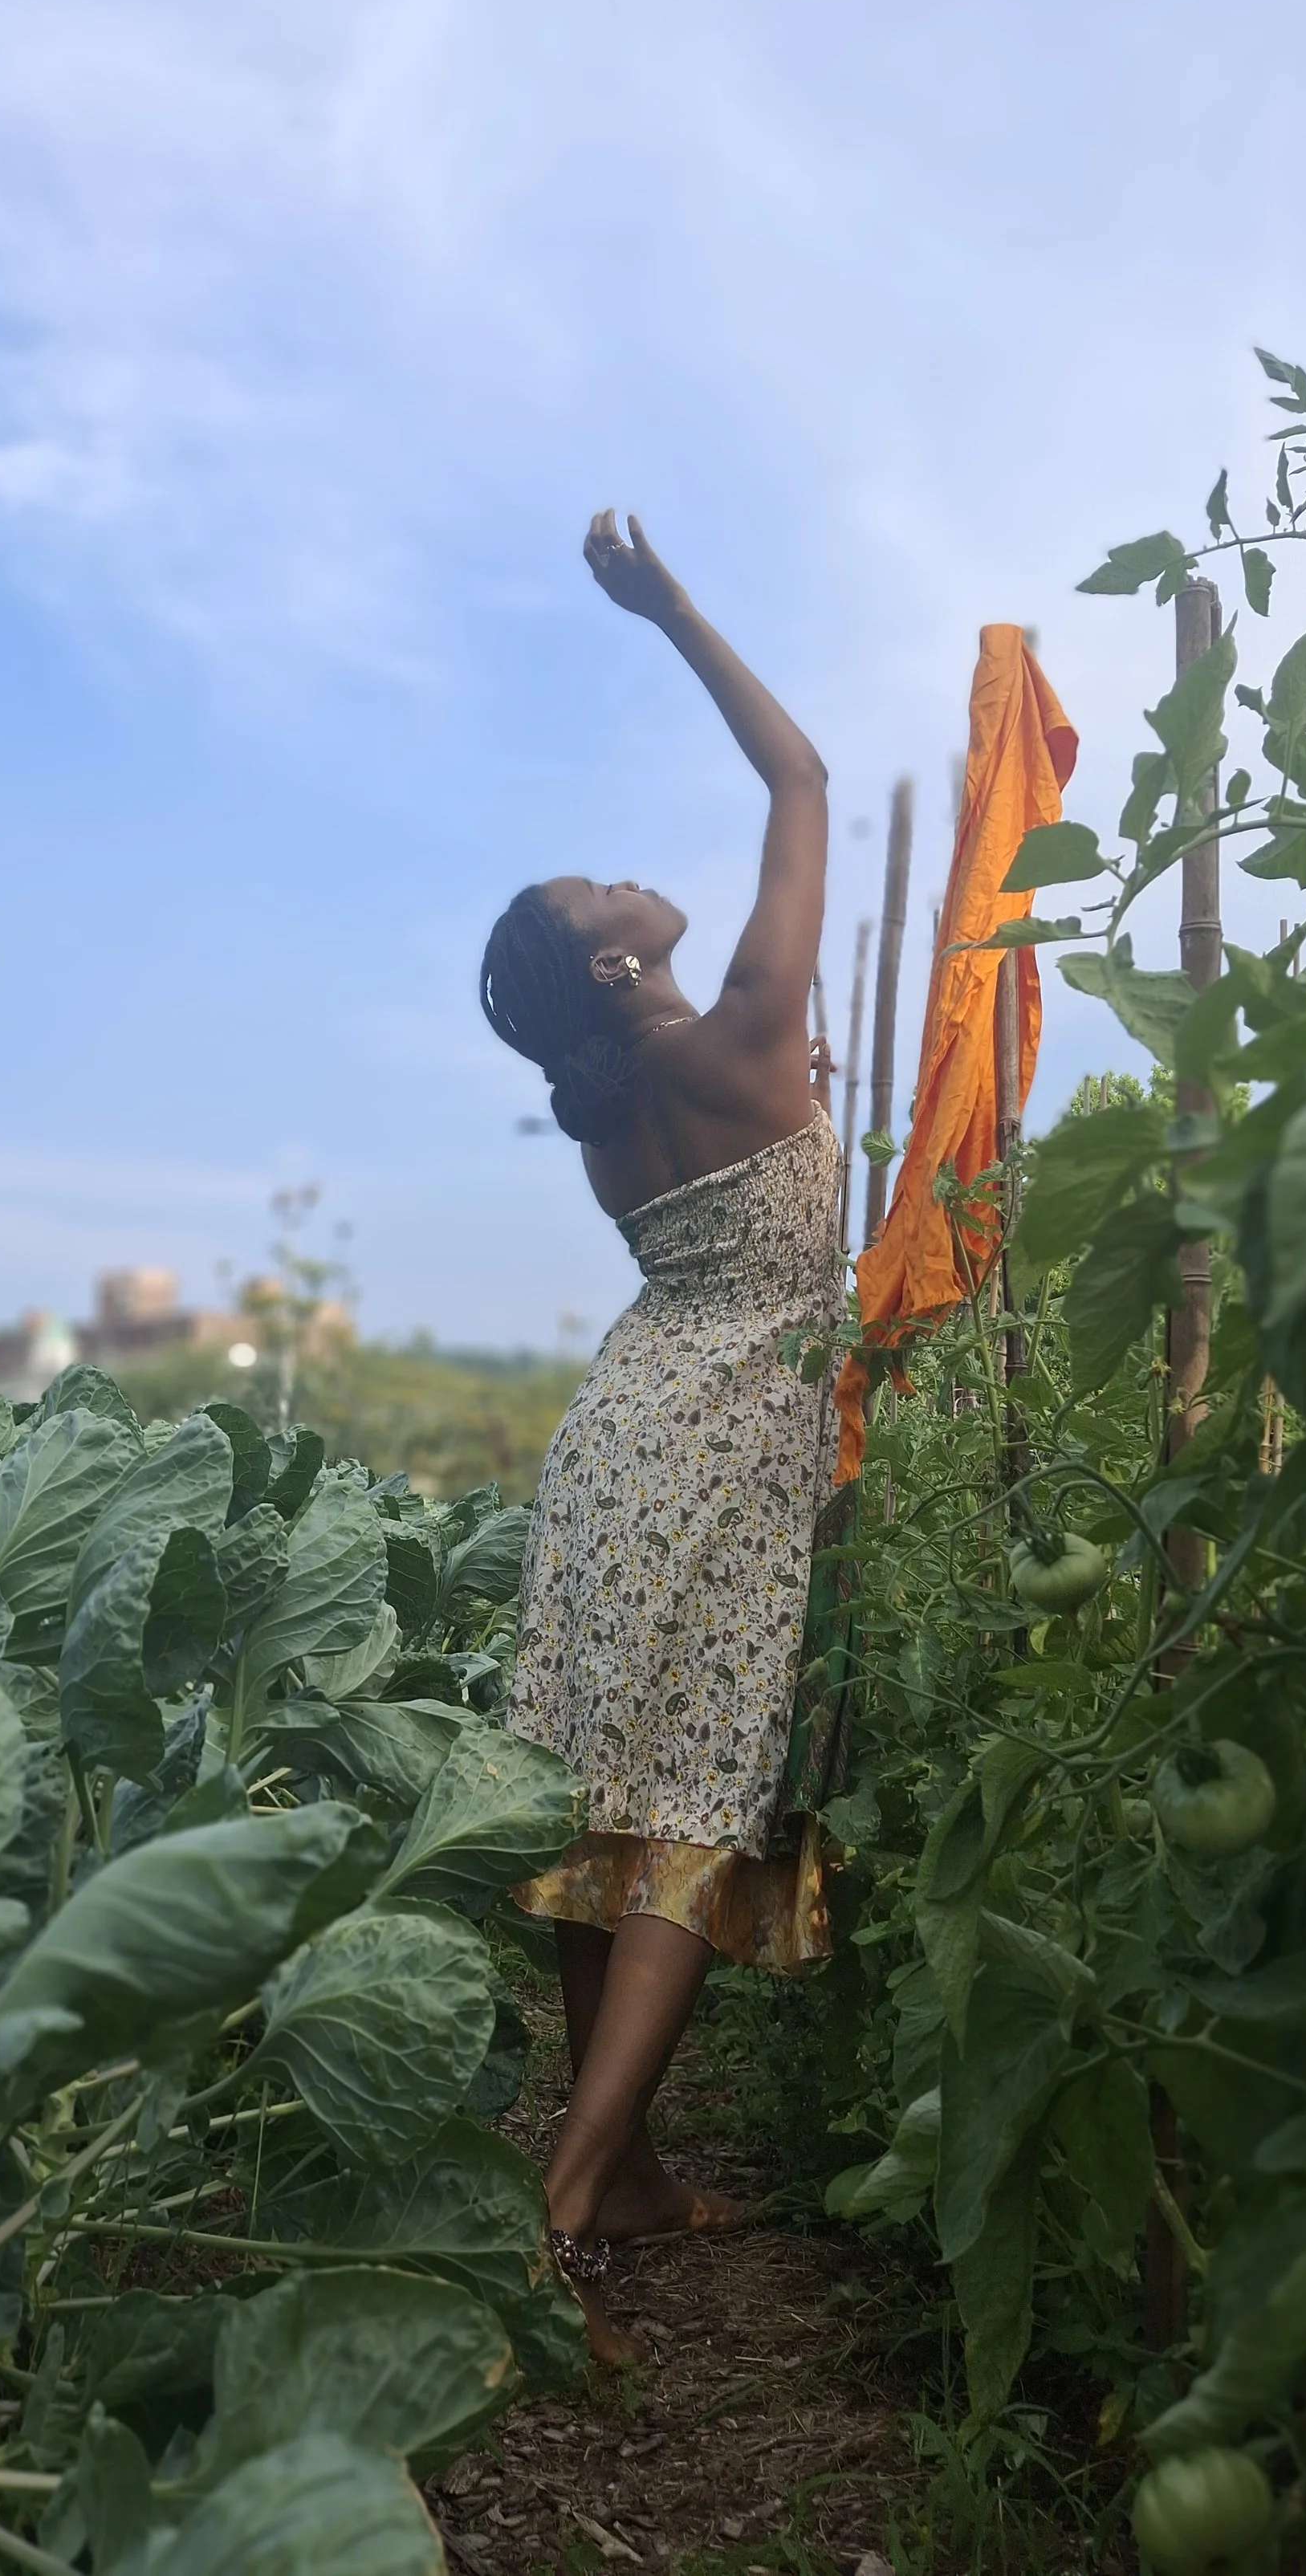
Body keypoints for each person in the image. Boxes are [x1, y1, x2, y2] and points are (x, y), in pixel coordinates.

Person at [479, 511, 841, 2363]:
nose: (626, 881)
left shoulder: (634, 1099)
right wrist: (674, 609)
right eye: (596, 897)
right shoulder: (752, 1029)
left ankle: (612, 2164)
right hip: (726, 1438)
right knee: (690, 1806)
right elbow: (800, 770)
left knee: (602, 1800)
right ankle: (569, 2188)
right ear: (613, 971)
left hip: (622, 1432)